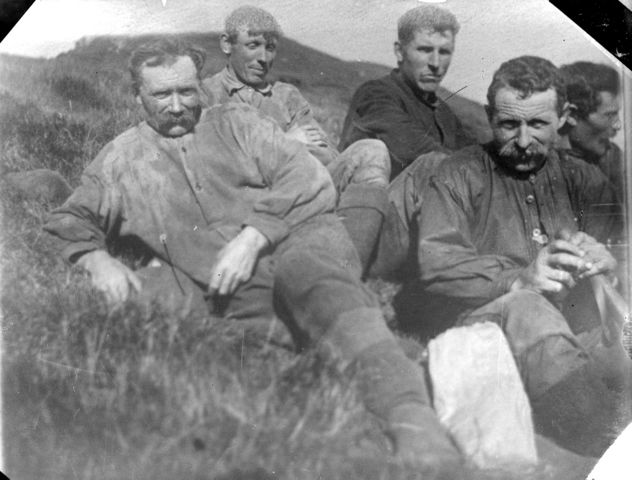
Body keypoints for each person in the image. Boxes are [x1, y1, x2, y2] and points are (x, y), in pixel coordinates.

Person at [43, 38, 463, 476]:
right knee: (170, 317)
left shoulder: (236, 122)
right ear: (137, 97)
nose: (177, 106)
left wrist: (253, 236)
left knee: (318, 282)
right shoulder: (119, 159)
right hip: (215, 282)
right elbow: (68, 218)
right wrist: (96, 260)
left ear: (200, 87)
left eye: (187, 91)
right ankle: (375, 377)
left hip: (294, 241)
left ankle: (416, 425)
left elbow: (307, 175)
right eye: (162, 94)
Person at [413, 55, 631, 456]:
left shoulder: (585, 178)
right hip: (485, 329)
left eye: (538, 124)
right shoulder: (459, 173)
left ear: (562, 117)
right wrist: (518, 279)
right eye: (509, 124)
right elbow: (436, 264)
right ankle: (603, 450)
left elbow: (623, 251)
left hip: (568, 335)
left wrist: (611, 261)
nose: (525, 140)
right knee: (527, 307)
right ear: (489, 116)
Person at [203, 6, 392, 273]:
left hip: (304, 191)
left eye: (270, 48)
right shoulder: (205, 94)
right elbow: (209, 161)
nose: (263, 58)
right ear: (226, 44)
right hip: (246, 207)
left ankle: (348, 269)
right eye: (253, 45)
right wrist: (285, 141)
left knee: (372, 150)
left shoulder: (286, 96)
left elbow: (327, 155)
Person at [338, 4, 474, 181]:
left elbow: (475, 155)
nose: (435, 63)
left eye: (444, 52)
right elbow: (416, 148)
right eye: (424, 49)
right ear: (400, 51)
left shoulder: (444, 113)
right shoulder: (375, 94)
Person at [559, 61, 624, 202]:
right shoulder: (543, 167)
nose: (618, 125)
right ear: (572, 115)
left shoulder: (613, 158)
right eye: (609, 115)